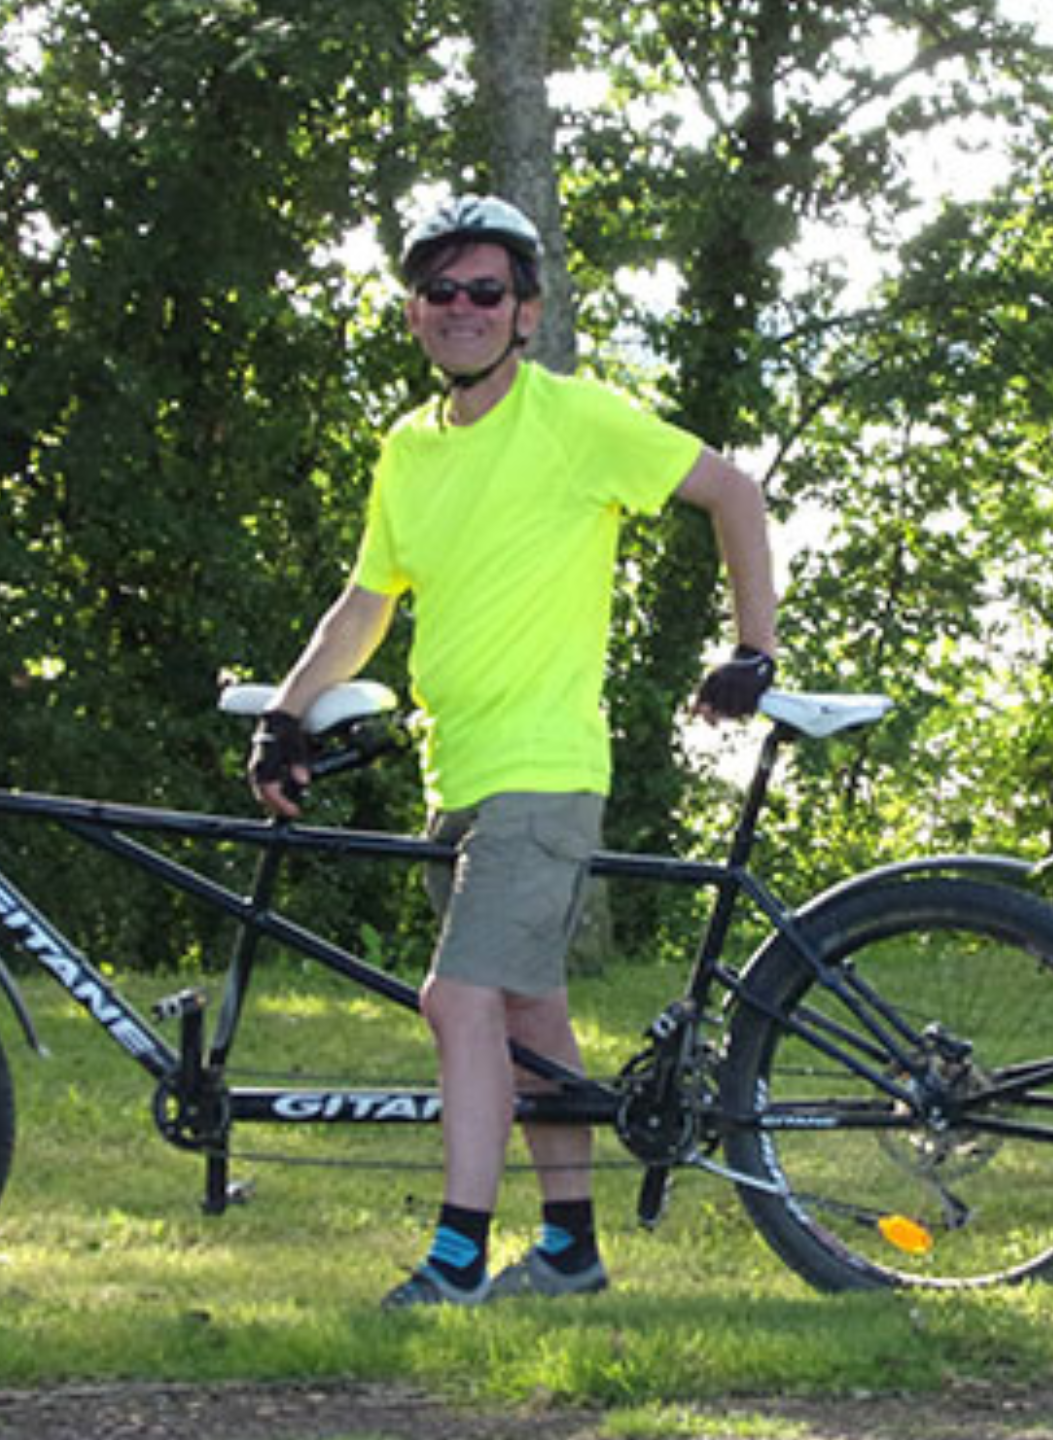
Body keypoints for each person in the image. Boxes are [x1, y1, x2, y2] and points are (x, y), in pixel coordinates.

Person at [246, 194, 779, 1308]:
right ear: (414, 312)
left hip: (543, 768)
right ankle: (574, 1252)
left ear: (525, 313)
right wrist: (285, 713)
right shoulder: (407, 450)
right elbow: (364, 602)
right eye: (441, 291)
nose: (462, 309)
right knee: (530, 1016)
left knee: (459, 998)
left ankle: (454, 1257)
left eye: (486, 291)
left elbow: (732, 491)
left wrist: (752, 649)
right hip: (464, 770)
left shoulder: (573, 419)